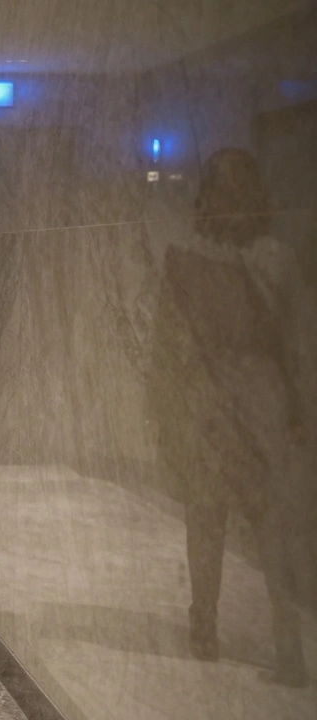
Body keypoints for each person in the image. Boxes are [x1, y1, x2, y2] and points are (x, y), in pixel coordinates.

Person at [150, 147, 308, 687]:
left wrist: (296, 413)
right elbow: (171, 347)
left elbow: (295, 346)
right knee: (214, 521)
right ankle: (211, 626)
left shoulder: (271, 260)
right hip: (215, 409)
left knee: (262, 531)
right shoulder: (198, 257)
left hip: (248, 411)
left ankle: (273, 642)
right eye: (225, 189)